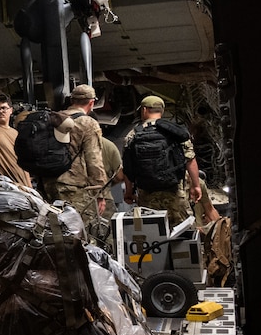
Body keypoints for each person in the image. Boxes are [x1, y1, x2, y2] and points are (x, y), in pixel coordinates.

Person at [122, 95, 205, 223]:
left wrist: (128, 192)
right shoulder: (175, 132)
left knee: (153, 233)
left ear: (144, 110)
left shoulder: (132, 135)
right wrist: (196, 185)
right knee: (183, 231)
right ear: (162, 110)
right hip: (174, 192)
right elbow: (190, 159)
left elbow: (128, 168)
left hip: (146, 195)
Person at [52, 83, 109, 235]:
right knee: (80, 236)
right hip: (73, 188)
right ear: (92, 103)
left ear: (72, 100)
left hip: (48, 185)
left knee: (55, 235)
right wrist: (100, 193)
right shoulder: (88, 123)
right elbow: (94, 160)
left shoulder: (55, 118)